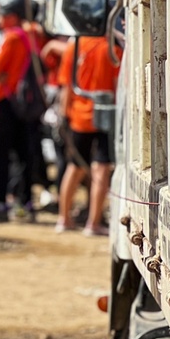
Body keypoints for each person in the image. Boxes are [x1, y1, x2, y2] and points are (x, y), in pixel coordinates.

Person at [55, 34, 122, 235]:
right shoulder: (112, 49)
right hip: (106, 115)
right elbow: (118, 85)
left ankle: (63, 218)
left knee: (75, 167)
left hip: (78, 116)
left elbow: (66, 86)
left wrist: (63, 116)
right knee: (101, 168)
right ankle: (93, 223)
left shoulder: (73, 46)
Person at [0, 0, 36, 222]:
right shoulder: (32, 36)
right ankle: (26, 202)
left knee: (1, 154)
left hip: (6, 102)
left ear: (12, 16)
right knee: (24, 154)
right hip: (27, 104)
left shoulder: (10, 37)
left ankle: (1, 203)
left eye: (2, 15)